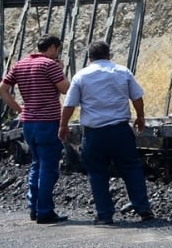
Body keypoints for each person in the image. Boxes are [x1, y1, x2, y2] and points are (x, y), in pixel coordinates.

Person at [58, 39, 153, 225]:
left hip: (95, 134)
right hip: (120, 130)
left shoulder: (81, 76)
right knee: (131, 168)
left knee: (97, 172)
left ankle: (105, 214)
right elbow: (137, 97)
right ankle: (143, 209)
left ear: (89, 57)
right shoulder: (122, 71)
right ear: (109, 55)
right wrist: (140, 117)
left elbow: (69, 105)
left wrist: (63, 125)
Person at [0, 34, 71, 223]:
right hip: (48, 122)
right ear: (53, 48)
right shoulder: (50, 65)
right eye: (57, 50)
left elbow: (1, 89)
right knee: (49, 167)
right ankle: (45, 210)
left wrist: (20, 109)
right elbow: (65, 89)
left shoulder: (20, 64)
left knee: (37, 164)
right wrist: (61, 70)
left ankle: (34, 207)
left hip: (28, 122)